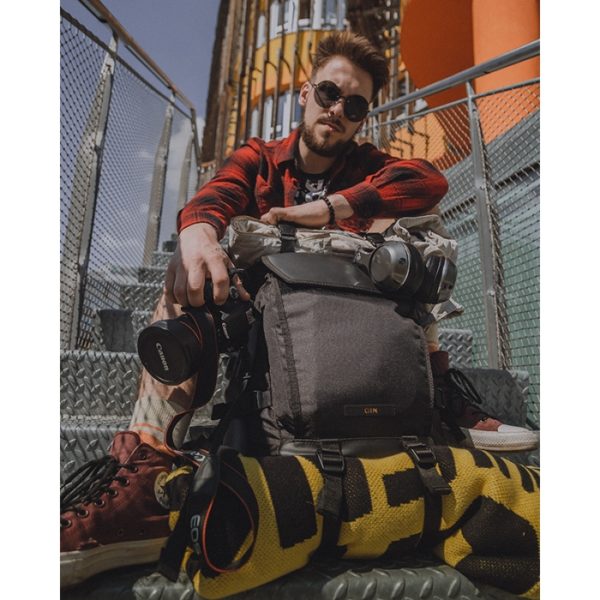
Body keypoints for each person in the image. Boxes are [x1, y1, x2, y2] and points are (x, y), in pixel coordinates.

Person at [60, 31, 537, 588]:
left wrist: (331, 208)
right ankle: (147, 469)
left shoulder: (367, 165)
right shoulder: (261, 158)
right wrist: (197, 233)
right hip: (262, 318)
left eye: (354, 106)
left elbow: (428, 180)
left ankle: (439, 393)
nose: (337, 111)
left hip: (349, 317)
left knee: (412, 242)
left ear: (363, 118)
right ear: (306, 93)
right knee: (179, 286)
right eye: (329, 94)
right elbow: (216, 194)